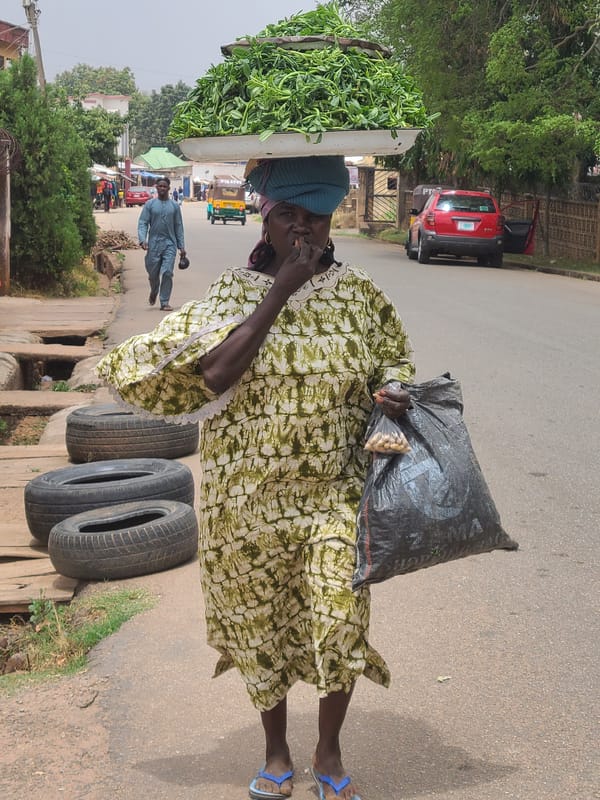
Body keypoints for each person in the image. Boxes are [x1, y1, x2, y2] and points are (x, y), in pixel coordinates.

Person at [96, 155, 414, 800]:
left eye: (317, 217)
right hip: (247, 498)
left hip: (335, 490)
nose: (305, 230)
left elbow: (395, 361)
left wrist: (393, 392)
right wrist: (281, 290)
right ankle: (275, 750)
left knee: (340, 617)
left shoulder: (362, 296)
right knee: (258, 622)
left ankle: (327, 753)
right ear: (264, 218)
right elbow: (214, 376)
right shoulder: (233, 294)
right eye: (289, 215)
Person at [137, 177, 186, 311]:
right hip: (153, 245)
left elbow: (178, 226)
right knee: (153, 275)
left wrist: (181, 246)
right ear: (156, 188)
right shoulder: (150, 205)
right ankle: (154, 290)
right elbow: (143, 223)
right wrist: (143, 240)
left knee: (167, 272)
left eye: (165, 186)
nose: (163, 189)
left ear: (169, 188)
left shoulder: (174, 206)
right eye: (160, 186)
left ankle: (164, 301)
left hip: (170, 244)